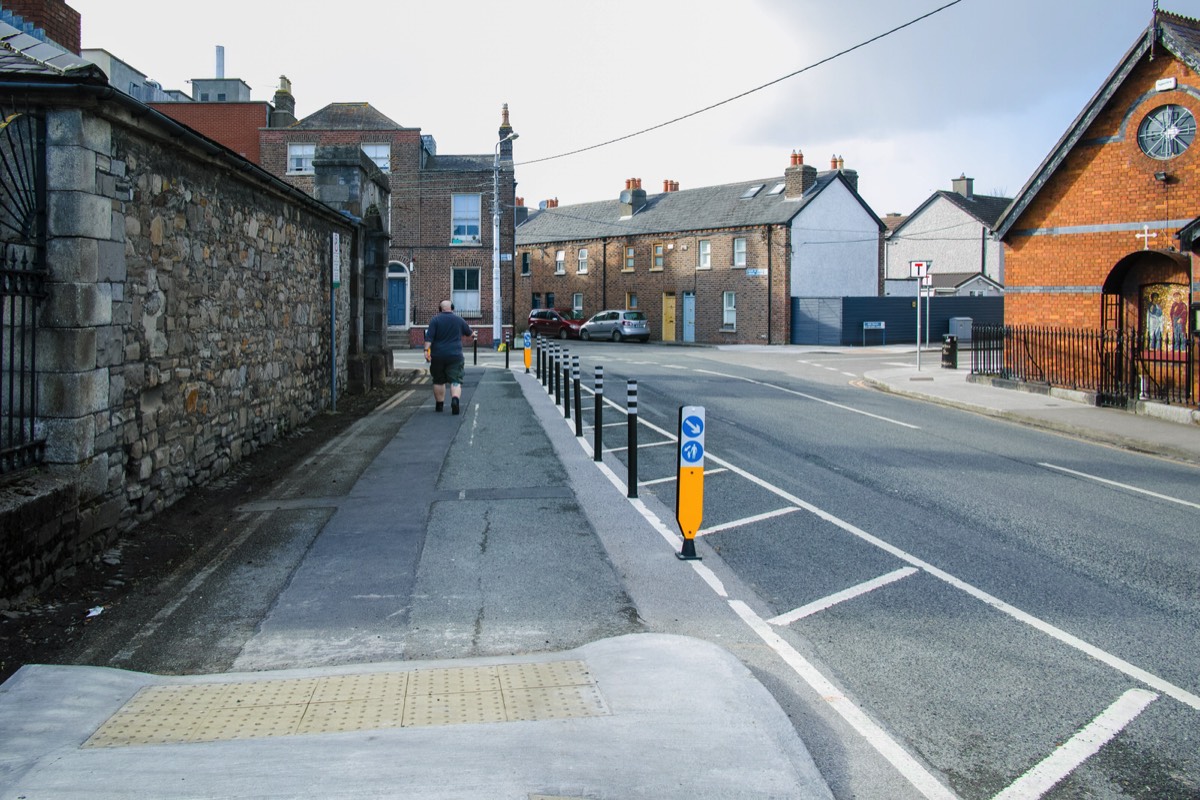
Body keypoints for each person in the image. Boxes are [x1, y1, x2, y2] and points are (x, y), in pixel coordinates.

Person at [424, 300, 472, 414]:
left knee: (438, 381)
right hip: (455, 356)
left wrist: (426, 351)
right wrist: (473, 334)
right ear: (452, 308)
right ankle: (455, 400)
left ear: (440, 309)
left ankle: (439, 405)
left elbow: (429, 338)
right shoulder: (459, 320)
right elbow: (469, 333)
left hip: (438, 356)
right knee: (456, 380)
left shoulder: (435, 320)